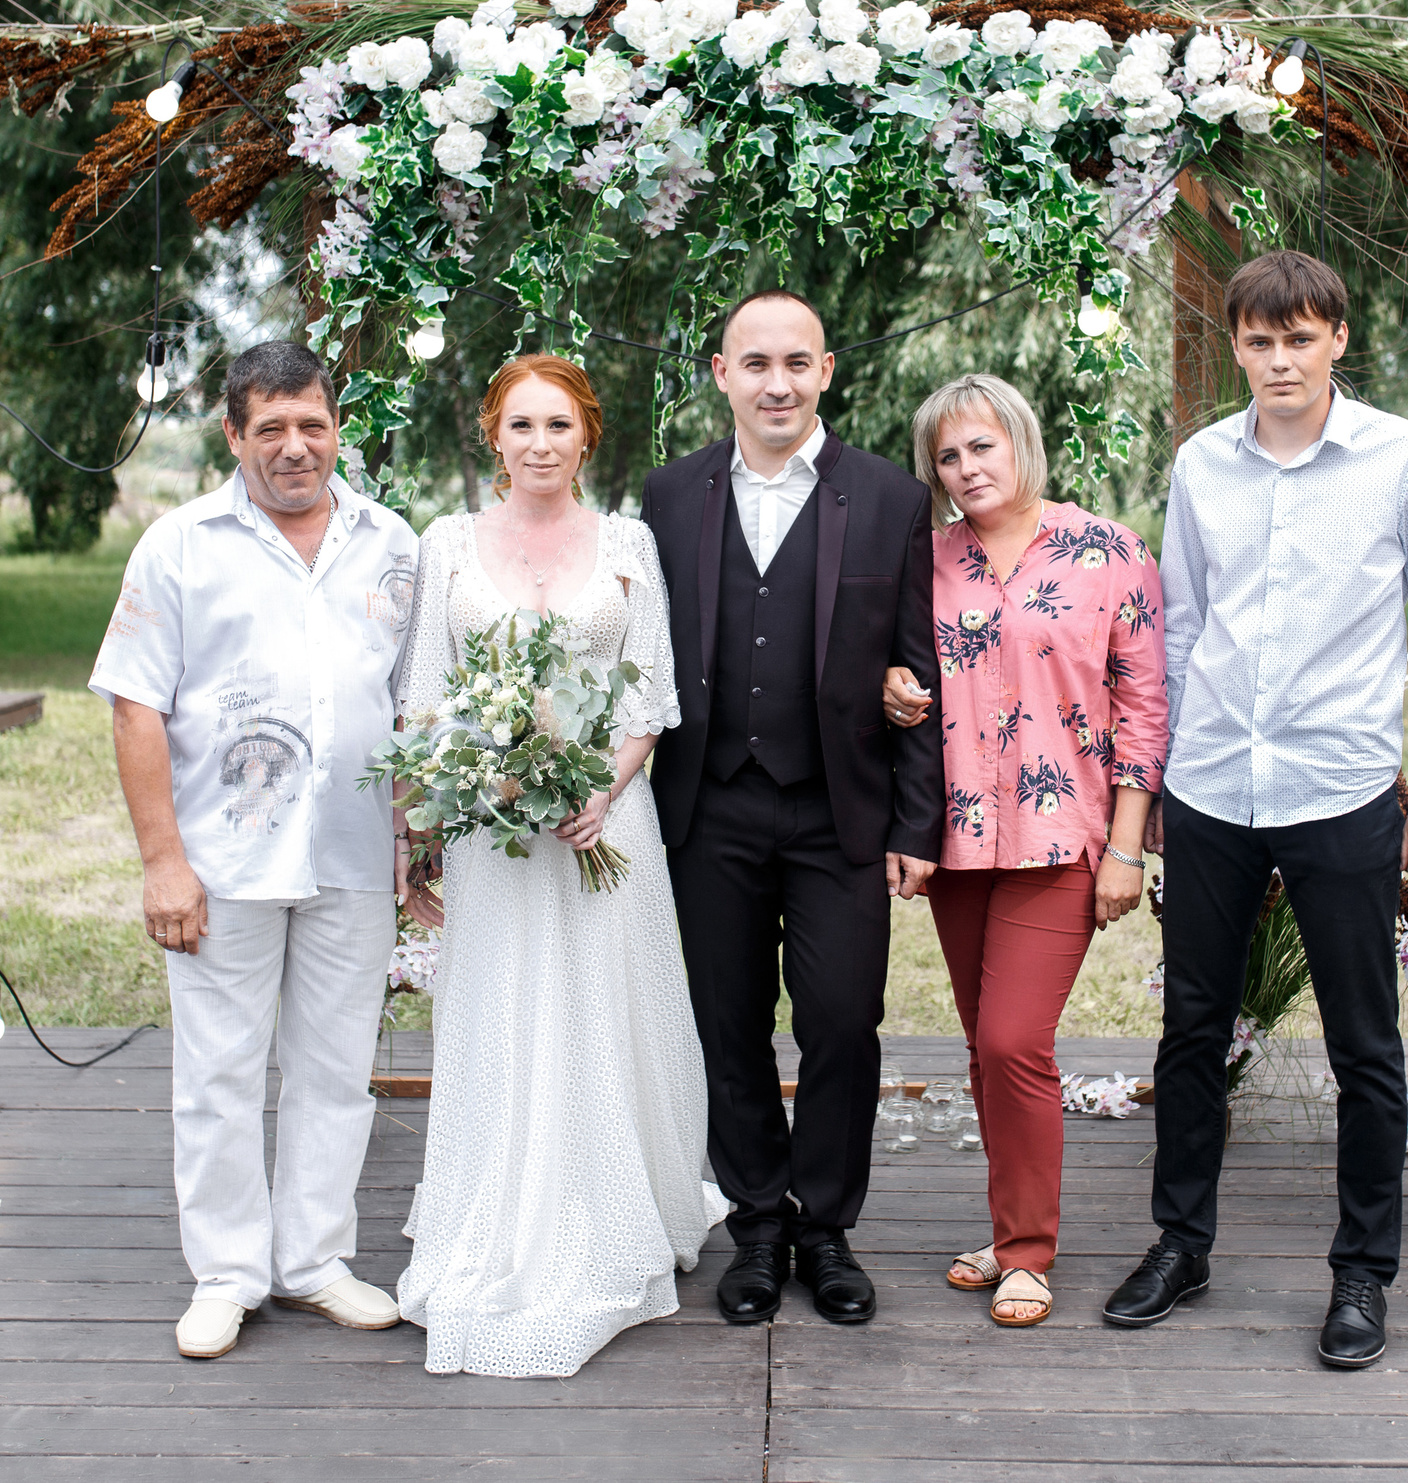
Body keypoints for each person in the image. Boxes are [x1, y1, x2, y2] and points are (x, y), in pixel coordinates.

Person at [1102, 250, 1408, 1368]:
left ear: (1337, 341)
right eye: (1261, 342)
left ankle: (1362, 1274)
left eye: (1300, 338)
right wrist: (1163, 778)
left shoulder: (1405, 462)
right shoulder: (1201, 466)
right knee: (1190, 1031)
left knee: (1362, 1043)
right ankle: (1181, 1244)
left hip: (1342, 787)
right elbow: (1179, 633)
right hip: (1215, 786)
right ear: (1239, 346)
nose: (1280, 360)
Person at [393, 353, 725, 1378]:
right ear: (492, 436)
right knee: (501, 1012)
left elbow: (650, 697)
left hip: (602, 826)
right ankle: (497, 1208)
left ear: (589, 437)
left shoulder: (627, 541)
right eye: (521, 426)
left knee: (602, 1008)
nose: (540, 445)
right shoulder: (446, 544)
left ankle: (613, 1199)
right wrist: (454, 803)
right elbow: (424, 697)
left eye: (559, 426)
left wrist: (600, 790)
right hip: (494, 836)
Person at [90, 339, 421, 1361]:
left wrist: (419, 840)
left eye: (311, 425)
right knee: (220, 1072)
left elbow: (410, 706)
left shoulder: (392, 543)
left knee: (334, 1071)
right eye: (269, 427)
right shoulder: (179, 546)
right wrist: (161, 862)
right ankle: (229, 1274)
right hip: (223, 863)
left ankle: (315, 1261)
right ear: (234, 434)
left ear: (337, 428)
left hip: (355, 856)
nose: (293, 447)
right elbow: (136, 705)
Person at [637, 289, 944, 1328]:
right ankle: (757, 1225)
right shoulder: (667, 497)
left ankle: (826, 1224)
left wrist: (915, 824)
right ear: (720, 373)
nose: (777, 382)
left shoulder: (892, 499)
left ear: (825, 373)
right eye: (755, 363)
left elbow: (919, 666)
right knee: (726, 1025)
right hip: (708, 805)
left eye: (797, 363)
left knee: (842, 1024)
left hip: (837, 811)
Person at [878, 373, 1168, 1328]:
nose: (965, 469)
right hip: (958, 836)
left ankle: (1030, 1254)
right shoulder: (921, 560)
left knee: (1013, 1039)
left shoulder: (1109, 551)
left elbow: (1143, 707)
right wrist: (891, 685)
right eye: (948, 456)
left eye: (981, 448)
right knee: (982, 1045)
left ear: (1021, 444)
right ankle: (1010, 1232)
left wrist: (1127, 846)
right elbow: (885, 664)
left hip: (1063, 836)